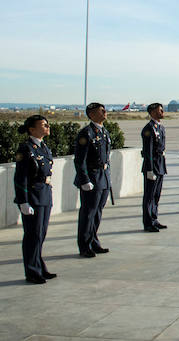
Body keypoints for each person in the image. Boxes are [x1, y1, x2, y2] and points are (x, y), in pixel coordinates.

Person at [13, 115, 56, 283]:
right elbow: (20, 177)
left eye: (47, 124)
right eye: (43, 125)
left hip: (44, 194)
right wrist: (23, 201)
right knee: (33, 235)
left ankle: (39, 266)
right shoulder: (26, 148)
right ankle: (32, 271)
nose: (47, 127)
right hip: (32, 196)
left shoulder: (43, 147)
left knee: (41, 234)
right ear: (32, 129)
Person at [74, 102, 112, 257]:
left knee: (97, 212)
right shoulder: (86, 133)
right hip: (92, 177)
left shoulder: (103, 132)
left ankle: (94, 241)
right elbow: (80, 160)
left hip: (103, 176)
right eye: (101, 111)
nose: (105, 112)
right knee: (88, 213)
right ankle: (84, 245)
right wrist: (84, 180)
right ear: (92, 114)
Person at [141, 103, 168, 231]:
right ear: (152, 112)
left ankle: (154, 218)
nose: (162, 112)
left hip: (160, 165)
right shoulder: (149, 129)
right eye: (159, 110)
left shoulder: (160, 128)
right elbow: (148, 151)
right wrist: (150, 169)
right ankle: (148, 222)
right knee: (149, 196)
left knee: (156, 195)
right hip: (152, 166)